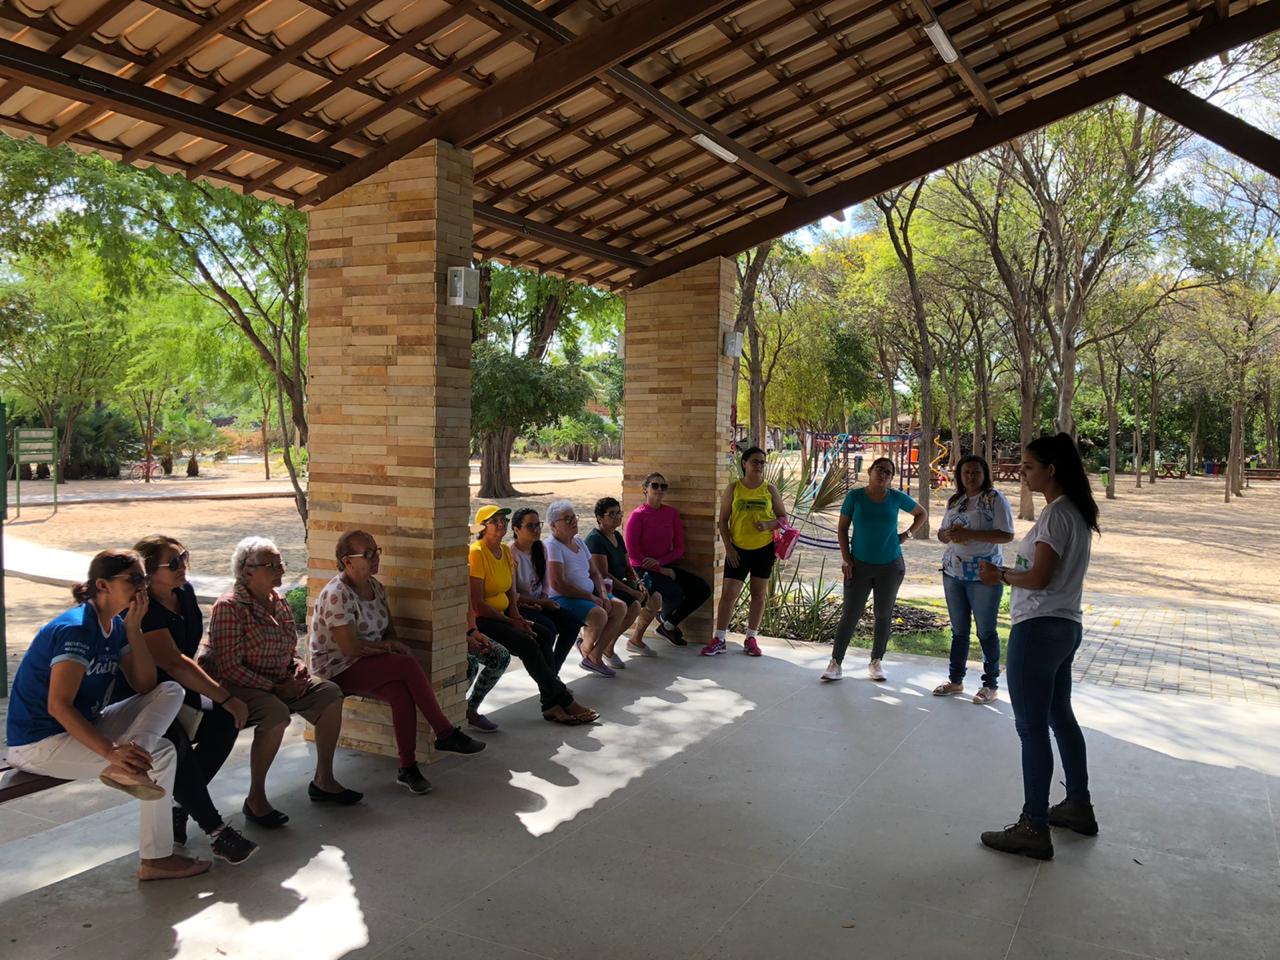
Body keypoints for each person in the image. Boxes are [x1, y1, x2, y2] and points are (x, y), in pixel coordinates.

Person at [5, 550, 210, 880]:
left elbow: (145, 685)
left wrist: (133, 630)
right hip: (38, 741)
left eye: (144, 579)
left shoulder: (115, 626)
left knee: (170, 693)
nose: (142, 587)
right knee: (161, 754)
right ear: (102, 584)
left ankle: (135, 787)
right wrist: (111, 752)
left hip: (81, 725)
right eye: (134, 580)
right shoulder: (76, 629)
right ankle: (155, 853)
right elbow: (58, 705)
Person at [977, 433, 1100, 861]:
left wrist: (1002, 576)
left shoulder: (1056, 516)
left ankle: (1034, 825)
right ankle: (1078, 805)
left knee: (1031, 728)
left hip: (1039, 628)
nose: (1023, 472)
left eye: (1029, 466)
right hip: (1065, 627)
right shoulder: (1076, 513)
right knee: (1059, 717)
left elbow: (1039, 577)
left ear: (1051, 469)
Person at [310, 530, 484, 797]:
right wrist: (389, 648)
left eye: (376, 551)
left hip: (367, 662)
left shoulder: (376, 588)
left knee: (400, 693)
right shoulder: (337, 594)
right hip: (337, 668)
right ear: (347, 561)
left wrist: (390, 645)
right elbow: (349, 648)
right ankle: (444, 731)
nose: (375, 558)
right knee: (405, 665)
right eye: (367, 554)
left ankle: (408, 767)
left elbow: (388, 632)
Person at [204, 537, 362, 829]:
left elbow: (290, 648)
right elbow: (228, 667)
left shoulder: (278, 601)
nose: (281, 569)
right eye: (271, 565)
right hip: (240, 686)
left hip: (280, 679)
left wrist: (298, 670)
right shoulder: (229, 607)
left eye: (281, 563)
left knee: (329, 693)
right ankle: (256, 799)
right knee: (276, 715)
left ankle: (323, 780)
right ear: (247, 571)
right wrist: (276, 687)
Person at [119, 535, 257, 864]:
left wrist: (222, 702)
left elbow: (187, 656)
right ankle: (217, 831)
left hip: (181, 695)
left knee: (224, 722)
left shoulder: (185, 592)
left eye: (184, 557)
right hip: (145, 700)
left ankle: (180, 807)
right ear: (149, 573)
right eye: (174, 563)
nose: (184, 566)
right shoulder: (143, 610)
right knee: (176, 745)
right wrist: (225, 696)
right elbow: (172, 661)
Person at [468, 505, 599, 725]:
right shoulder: (477, 552)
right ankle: (562, 698)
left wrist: (518, 618)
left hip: (504, 615)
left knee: (544, 634)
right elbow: (478, 604)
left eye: (503, 519)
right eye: (495, 520)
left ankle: (550, 704)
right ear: (482, 527)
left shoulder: (504, 552)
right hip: (485, 620)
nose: (501, 523)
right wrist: (512, 621)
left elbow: (511, 595)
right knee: (528, 644)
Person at [823, 456, 927, 682]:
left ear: (891, 478)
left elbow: (922, 513)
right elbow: (842, 529)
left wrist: (906, 535)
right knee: (850, 613)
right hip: (858, 564)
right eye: (879, 469)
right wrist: (846, 559)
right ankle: (835, 662)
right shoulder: (855, 497)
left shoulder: (896, 497)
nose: (883, 474)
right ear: (870, 470)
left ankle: (876, 661)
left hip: (890, 566)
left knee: (883, 614)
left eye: (888, 472)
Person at [932, 457, 1014, 704]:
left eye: (975, 471)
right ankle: (956, 681)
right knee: (959, 632)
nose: (970, 476)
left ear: (984, 473)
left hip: (983, 575)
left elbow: (1007, 535)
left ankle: (990, 685)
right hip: (953, 573)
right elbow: (941, 533)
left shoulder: (994, 499)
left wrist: (970, 534)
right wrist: (946, 534)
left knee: (986, 631)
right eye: (965, 472)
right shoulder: (955, 500)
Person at [703, 447, 788, 657]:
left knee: (758, 594)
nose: (759, 466)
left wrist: (769, 524)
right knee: (729, 594)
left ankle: (751, 638)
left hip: (763, 550)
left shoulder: (770, 489)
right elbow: (723, 521)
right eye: (755, 461)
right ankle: (720, 638)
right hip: (738, 550)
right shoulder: (734, 488)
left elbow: (783, 519)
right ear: (745, 463)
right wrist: (729, 548)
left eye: (762, 462)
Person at [623, 472, 711, 646]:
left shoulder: (671, 514)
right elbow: (633, 553)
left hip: (664, 566)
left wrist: (662, 565)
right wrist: (659, 569)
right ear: (645, 490)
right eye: (655, 485)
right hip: (642, 569)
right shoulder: (637, 516)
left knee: (702, 589)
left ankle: (667, 623)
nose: (659, 489)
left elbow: (679, 549)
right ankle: (666, 620)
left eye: (663, 486)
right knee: (674, 593)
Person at [544, 499, 628, 677]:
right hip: (562, 598)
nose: (573, 521)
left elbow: (596, 573)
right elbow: (558, 584)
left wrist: (604, 595)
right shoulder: (552, 546)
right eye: (567, 519)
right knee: (599, 614)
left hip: (587, 595)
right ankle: (586, 649)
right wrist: (592, 598)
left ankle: (593, 656)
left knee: (619, 607)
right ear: (553, 525)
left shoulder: (579, 542)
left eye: (574, 517)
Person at [586, 497, 664, 660]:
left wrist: (638, 583)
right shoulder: (596, 540)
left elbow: (628, 566)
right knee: (634, 605)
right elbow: (603, 574)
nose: (617, 516)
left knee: (655, 598)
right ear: (600, 518)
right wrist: (630, 591)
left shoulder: (617, 536)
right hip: (605, 587)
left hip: (623, 582)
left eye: (618, 512)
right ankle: (608, 647)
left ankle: (636, 640)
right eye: (611, 514)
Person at [510, 507, 581, 670]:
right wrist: (539, 603)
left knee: (573, 623)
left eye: (538, 525)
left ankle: (552, 672)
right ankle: (550, 679)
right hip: (521, 606)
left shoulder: (540, 548)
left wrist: (542, 600)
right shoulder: (511, 553)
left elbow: (545, 584)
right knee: (548, 629)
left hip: (539, 602)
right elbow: (513, 594)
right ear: (516, 529)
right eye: (530, 526)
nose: (536, 530)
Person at [465, 605, 510, 732]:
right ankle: (452, 711)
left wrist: (473, 632)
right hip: (442, 638)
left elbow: (469, 606)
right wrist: (463, 639)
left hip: (463, 633)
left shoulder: (463, 583)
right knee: (470, 664)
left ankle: (470, 709)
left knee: (501, 656)